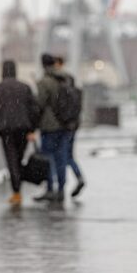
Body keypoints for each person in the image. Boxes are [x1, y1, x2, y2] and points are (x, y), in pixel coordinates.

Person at [0, 60, 39, 206]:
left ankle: (16, 192)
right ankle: (18, 185)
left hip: (6, 129)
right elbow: (34, 109)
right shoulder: (25, 87)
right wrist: (32, 129)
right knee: (19, 157)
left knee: (11, 159)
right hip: (23, 128)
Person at [32, 54, 70, 202]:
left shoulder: (44, 82)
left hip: (49, 126)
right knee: (62, 158)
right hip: (65, 124)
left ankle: (50, 189)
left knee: (48, 158)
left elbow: (39, 105)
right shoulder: (66, 78)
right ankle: (61, 189)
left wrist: (33, 124)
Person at [54, 56, 85, 197]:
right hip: (73, 125)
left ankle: (61, 187)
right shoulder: (75, 88)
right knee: (69, 155)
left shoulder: (60, 84)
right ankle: (78, 177)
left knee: (62, 156)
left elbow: (59, 106)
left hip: (64, 126)